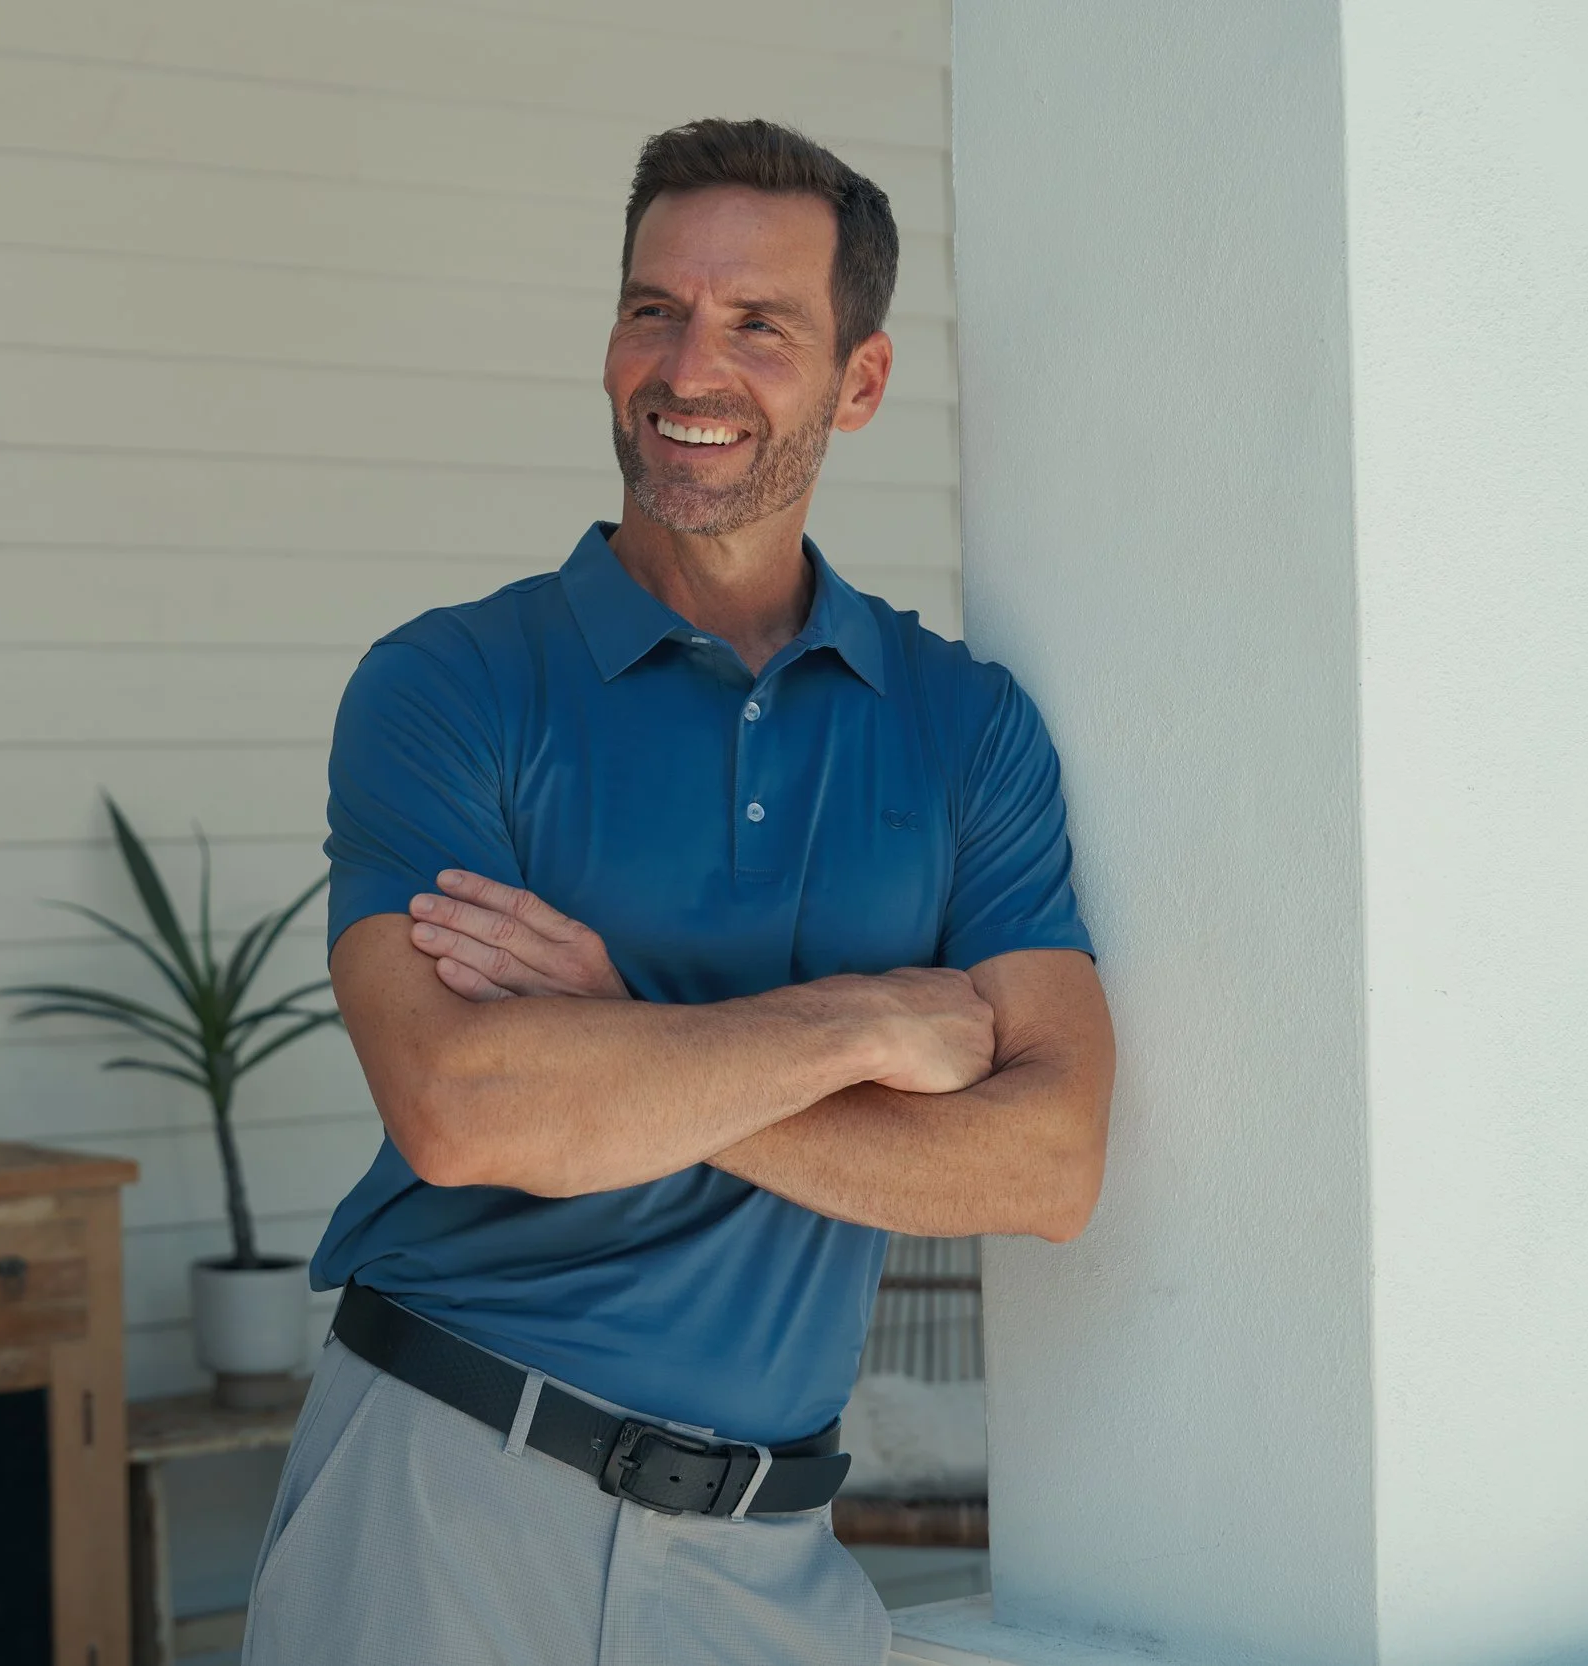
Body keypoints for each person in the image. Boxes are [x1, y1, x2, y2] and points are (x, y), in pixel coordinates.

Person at [239, 118, 1115, 1666]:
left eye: (758, 324)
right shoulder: (451, 683)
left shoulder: (964, 728)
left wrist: (624, 1041)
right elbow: (464, 1106)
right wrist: (861, 1017)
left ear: (860, 381)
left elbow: (1046, 1160)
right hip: (445, 1497)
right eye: (655, 307)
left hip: (769, 1560)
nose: (685, 365)